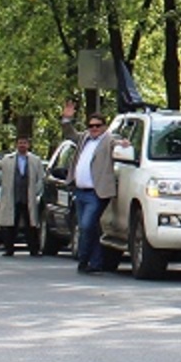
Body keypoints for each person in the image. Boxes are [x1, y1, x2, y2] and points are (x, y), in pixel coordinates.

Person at [63, 104, 117, 273]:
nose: (93, 129)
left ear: (104, 127)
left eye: (97, 126)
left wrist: (124, 144)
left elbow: (120, 143)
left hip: (96, 193)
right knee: (89, 227)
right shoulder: (85, 138)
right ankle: (96, 262)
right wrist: (66, 119)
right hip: (80, 191)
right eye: (91, 125)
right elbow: (70, 134)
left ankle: (83, 259)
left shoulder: (109, 140)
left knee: (86, 226)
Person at [0, 136, 45, 256]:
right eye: (20, 143)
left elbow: (40, 178)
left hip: (28, 197)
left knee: (31, 225)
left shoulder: (35, 160)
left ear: (28, 145)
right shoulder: (7, 159)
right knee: (11, 224)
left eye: (25, 143)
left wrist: (36, 192)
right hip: (13, 196)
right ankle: (9, 249)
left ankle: (34, 249)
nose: (22, 145)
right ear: (16, 145)